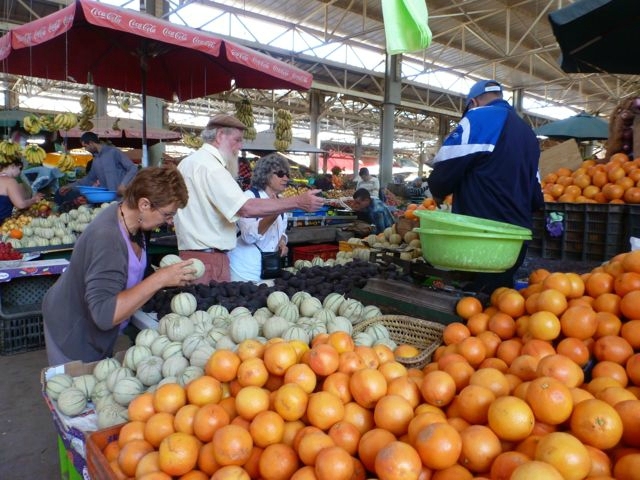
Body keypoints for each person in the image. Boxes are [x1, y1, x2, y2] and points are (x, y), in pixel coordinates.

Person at [43, 166, 196, 365]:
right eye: (167, 214)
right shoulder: (108, 238)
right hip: (72, 330)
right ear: (144, 204)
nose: (169, 221)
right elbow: (105, 315)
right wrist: (160, 279)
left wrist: (168, 275)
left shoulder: (134, 222)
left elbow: (129, 269)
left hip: (94, 331)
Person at [174, 114, 324, 284]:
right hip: (209, 260)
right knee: (210, 309)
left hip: (194, 255)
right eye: (237, 140)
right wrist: (295, 202)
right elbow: (245, 208)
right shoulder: (212, 168)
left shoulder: (188, 163)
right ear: (219, 136)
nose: (240, 147)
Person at [428, 79, 544, 292]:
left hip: (481, 241)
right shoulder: (529, 134)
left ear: (473, 103)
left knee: (473, 305)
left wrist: (437, 191)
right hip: (515, 244)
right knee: (501, 303)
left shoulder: (478, 117)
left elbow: (444, 173)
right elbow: (537, 197)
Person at [228, 155, 290, 283]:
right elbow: (248, 237)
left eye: (287, 174)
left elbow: (281, 231)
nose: (286, 178)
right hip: (244, 273)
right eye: (280, 174)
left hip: (269, 272)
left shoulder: (281, 201)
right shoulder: (248, 199)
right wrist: (274, 212)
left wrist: (282, 242)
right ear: (266, 175)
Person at [56, 132, 139, 203]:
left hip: (123, 200)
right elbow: (89, 180)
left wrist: (123, 185)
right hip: (108, 202)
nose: (86, 149)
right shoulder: (95, 160)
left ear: (91, 143)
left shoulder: (113, 152)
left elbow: (132, 168)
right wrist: (70, 186)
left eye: (86, 146)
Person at [0, 156, 44, 223]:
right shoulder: (10, 181)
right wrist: (34, 199)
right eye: (19, 168)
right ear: (13, 166)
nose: (19, 172)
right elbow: (21, 205)